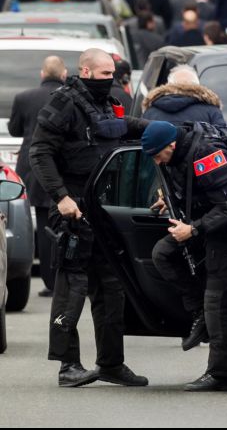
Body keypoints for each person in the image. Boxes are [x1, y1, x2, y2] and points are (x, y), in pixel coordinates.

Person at [29, 49, 149, 388]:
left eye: (112, 73)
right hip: (73, 207)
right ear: (85, 71)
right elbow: (40, 152)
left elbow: (125, 128)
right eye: (103, 73)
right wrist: (61, 197)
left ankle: (111, 363)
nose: (110, 79)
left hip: (103, 209)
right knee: (72, 286)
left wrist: (168, 130)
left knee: (111, 287)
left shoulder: (107, 104)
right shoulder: (63, 102)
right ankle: (68, 365)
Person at [141, 120, 227, 391]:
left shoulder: (205, 154)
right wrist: (169, 199)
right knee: (163, 254)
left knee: (217, 301)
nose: (157, 162)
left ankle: (220, 374)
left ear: (172, 144)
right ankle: (197, 310)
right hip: (202, 227)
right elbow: (194, 189)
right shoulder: (177, 155)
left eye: (158, 155)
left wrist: (193, 230)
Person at [8, 57, 67, 296]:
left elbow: (14, 129)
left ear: (43, 74)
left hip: (34, 168)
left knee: (44, 225)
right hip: (64, 168)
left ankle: (51, 282)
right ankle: (69, 277)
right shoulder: (70, 98)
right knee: (68, 222)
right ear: (64, 74)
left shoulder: (24, 98)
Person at [142, 65, 226, 127]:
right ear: (198, 85)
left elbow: (142, 141)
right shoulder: (211, 110)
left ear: (168, 85)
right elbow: (224, 140)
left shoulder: (151, 111)